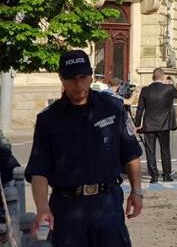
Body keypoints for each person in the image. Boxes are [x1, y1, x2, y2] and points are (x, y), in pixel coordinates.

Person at [25, 50, 143, 246]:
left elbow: (130, 153)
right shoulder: (48, 119)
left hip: (108, 205)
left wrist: (137, 191)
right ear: (61, 78)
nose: (78, 85)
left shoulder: (113, 108)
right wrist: (42, 208)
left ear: (90, 76)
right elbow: (39, 169)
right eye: (72, 79)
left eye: (83, 77)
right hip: (67, 210)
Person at [134, 68, 177, 183]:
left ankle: (154, 176)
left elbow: (140, 109)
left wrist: (137, 124)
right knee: (165, 150)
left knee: (150, 151)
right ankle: (166, 175)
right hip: (164, 125)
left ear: (153, 77)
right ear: (163, 77)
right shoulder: (168, 89)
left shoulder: (145, 90)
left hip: (148, 125)